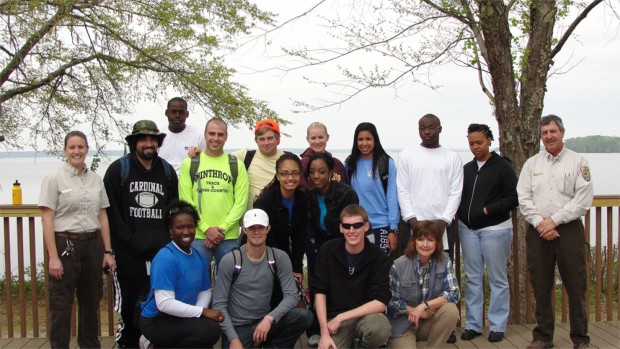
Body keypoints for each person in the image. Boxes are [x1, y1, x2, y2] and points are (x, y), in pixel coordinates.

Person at [517, 114, 594, 349]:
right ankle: (543, 337)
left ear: (562, 132)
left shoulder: (578, 162)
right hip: (538, 231)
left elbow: (583, 200)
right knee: (541, 285)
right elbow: (524, 197)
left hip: (569, 230)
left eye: (553, 131)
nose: (549, 136)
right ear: (541, 136)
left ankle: (580, 338)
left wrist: (555, 220)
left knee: (575, 284)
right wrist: (542, 223)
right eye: (545, 133)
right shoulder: (532, 164)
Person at [104, 120, 178, 348]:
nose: (148, 143)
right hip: (128, 252)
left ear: (157, 142)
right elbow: (110, 211)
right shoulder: (119, 170)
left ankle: (154, 340)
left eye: (152, 139)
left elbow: (173, 209)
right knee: (129, 300)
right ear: (134, 142)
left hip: (160, 253)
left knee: (160, 299)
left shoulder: (166, 171)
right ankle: (128, 342)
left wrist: (167, 243)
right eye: (143, 139)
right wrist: (127, 241)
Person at [39, 131, 116, 349]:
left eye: (80, 147)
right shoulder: (54, 179)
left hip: (93, 245)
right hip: (65, 245)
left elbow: (102, 216)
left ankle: (90, 345)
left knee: (91, 301)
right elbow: (47, 219)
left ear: (86, 149)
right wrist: (53, 257)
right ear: (65, 150)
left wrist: (108, 251)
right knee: (61, 303)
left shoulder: (95, 180)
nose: (76, 151)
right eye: (72, 147)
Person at [213, 209, 313, 349]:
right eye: (251, 228)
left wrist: (269, 318)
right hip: (238, 326)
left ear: (268, 228)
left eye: (260, 227)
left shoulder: (279, 257)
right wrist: (233, 339)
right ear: (244, 230)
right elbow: (219, 304)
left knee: (304, 316)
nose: (256, 232)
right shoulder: (230, 260)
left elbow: (291, 296)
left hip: (265, 321)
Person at [457, 123, 518, 343]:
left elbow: (513, 198)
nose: (475, 147)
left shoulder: (503, 167)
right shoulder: (467, 169)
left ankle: (497, 325)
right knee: (472, 278)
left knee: (497, 278)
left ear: (490, 140)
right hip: (468, 229)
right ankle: (473, 324)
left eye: (479, 142)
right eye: (471, 143)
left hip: (495, 229)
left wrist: (488, 210)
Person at [139, 200, 223, 348]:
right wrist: (202, 312)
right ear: (170, 230)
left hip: (181, 316)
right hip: (158, 320)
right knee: (209, 331)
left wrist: (198, 316)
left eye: (190, 226)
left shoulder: (198, 257)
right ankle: (154, 343)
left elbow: (205, 290)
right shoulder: (165, 258)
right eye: (179, 227)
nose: (186, 232)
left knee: (205, 335)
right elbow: (164, 304)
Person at [313, 204, 392, 349]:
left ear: (366, 226)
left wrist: (341, 317)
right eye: (347, 226)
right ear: (341, 228)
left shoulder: (379, 256)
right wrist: (324, 333)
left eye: (357, 225)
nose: (352, 231)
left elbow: (381, 302)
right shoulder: (327, 251)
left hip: (365, 318)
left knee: (379, 328)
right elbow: (319, 292)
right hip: (335, 323)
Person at [179, 118, 248, 267]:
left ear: (226, 136)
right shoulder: (190, 163)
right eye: (211, 134)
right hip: (197, 236)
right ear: (205, 134)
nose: (215, 139)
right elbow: (186, 201)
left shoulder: (236, 165)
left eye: (220, 134)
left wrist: (221, 230)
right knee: (196, 285)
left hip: (228, 237)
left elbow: (241, 202)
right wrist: (206, 229)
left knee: (229, 285)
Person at [396, 113, 463, 260]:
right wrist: (411, 220)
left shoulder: (452, 157)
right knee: (410, 267)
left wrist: (444, 221)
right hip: (413, 224)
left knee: (441, 269)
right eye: (422, 128)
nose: (426, 132)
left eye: (431, 128)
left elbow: (456, 192)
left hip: (442, 225)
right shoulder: (407, 155)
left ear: (440, 129)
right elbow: (402, 189)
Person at [387, 221, 460, 348]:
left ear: (437, 242)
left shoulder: (444, 261)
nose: (425, 245)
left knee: (451, 311)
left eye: (430, 240)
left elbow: (454, 293)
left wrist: (424, 306)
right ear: (414, 241)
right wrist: (414, 311)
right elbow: (391, 301)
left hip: (428, 321)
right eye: (421, 240)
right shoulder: (398, 265)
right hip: (403, 325)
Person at [345, 122, 399, 254]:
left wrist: (393, 229)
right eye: (360, 139)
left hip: (382, 225)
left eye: (368, 139)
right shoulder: (350, 164)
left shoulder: (386, 163)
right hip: (358, 226)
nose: (364, 143)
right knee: (361, 268)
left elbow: (392, 197)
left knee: (380, 268)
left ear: (375, 140)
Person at [253, 153, 307, 280]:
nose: (290, 178)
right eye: (284, 173)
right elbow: (266, 238)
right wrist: (286, 268)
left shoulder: (302, 199)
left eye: (295, 173)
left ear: (300, 175)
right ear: (277, 176)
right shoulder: (265, 202)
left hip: (283, 254)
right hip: (263, 255)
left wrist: (297, 269)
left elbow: (299, 237)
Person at [232, 118, 286, 209]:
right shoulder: (246, 156)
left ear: (278, 140)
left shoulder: (287, 159)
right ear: (256, 141)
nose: (266, 143)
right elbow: (218, 158)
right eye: (262, 139)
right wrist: (200, 153)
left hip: (279, 217)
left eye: (270, 138)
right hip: (252, 219)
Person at [157, 97, 206, 174]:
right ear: (166, 113)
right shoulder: (158, 136)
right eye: (173, 112)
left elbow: (207, 159)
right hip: (163, 182)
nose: (177, 115)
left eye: (181, 112)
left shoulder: (199, 136)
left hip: (188, 182)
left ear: (187, 114)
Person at [300, 122, 347, 192]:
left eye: (321, 137)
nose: (317, 141)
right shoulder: (303, 164)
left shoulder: (337, 164)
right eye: (313, 138)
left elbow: (345, 189)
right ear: (307, 139)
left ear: (327, 137)